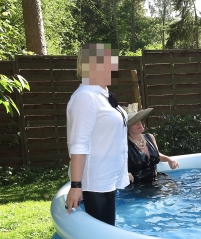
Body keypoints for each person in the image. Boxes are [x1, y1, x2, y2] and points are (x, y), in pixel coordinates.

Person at [66, 43, 129, 226]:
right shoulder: (85, 97)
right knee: (102, 237)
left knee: (108, 231)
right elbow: (79, 143)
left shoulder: (103, 95)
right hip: (94, 183)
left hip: (107, 180)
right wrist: (76, 186)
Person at [126, 103, 179, 185]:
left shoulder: (150, 137)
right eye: (134, 122)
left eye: (139, 119)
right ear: (127, 128)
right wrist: (124, 173)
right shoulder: (124, 144)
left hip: (157, 179)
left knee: (176, 189)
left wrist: (169, 159)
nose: (139, 123)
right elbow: (115, 164)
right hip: (138, 186)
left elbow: (157, 155)